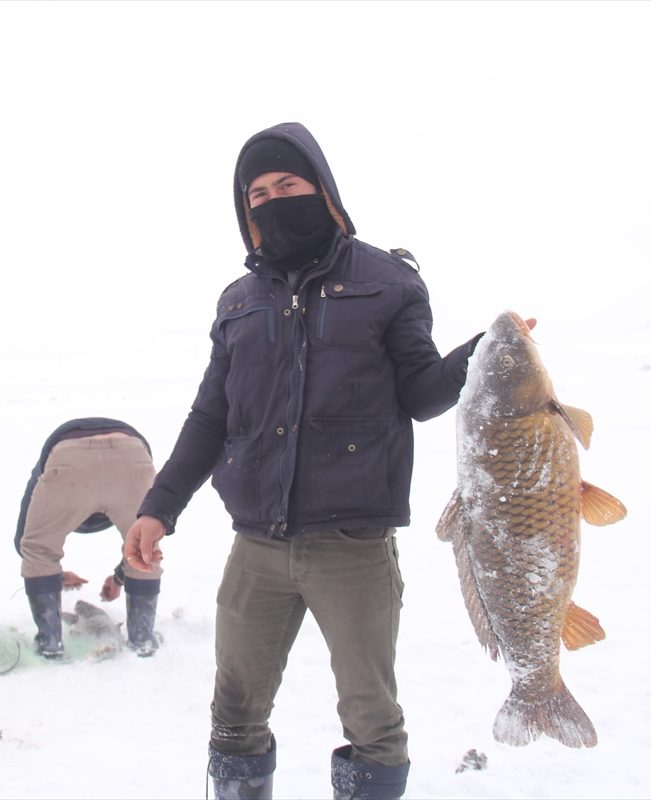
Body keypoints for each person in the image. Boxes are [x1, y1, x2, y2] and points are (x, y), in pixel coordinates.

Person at [123, 123, 484, 800]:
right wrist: (158, 508)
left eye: (287, 184)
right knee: (233, 713)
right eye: (257, 194)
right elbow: (210, 418)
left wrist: (481, 356)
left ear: (323, 189)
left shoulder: (388, 282)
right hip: (256, 546)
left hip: (353, 545)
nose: (272, 200)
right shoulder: (239, 300)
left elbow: (421, 393)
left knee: (372, 717)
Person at [15, 418, 161, 659]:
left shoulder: (45, 471)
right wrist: (119, 578)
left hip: (69, 456)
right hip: (132, 454)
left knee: (39, 550)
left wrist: (55, 576)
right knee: (144, 548)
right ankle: (142, 639)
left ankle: (49, 644)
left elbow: (26, 542)